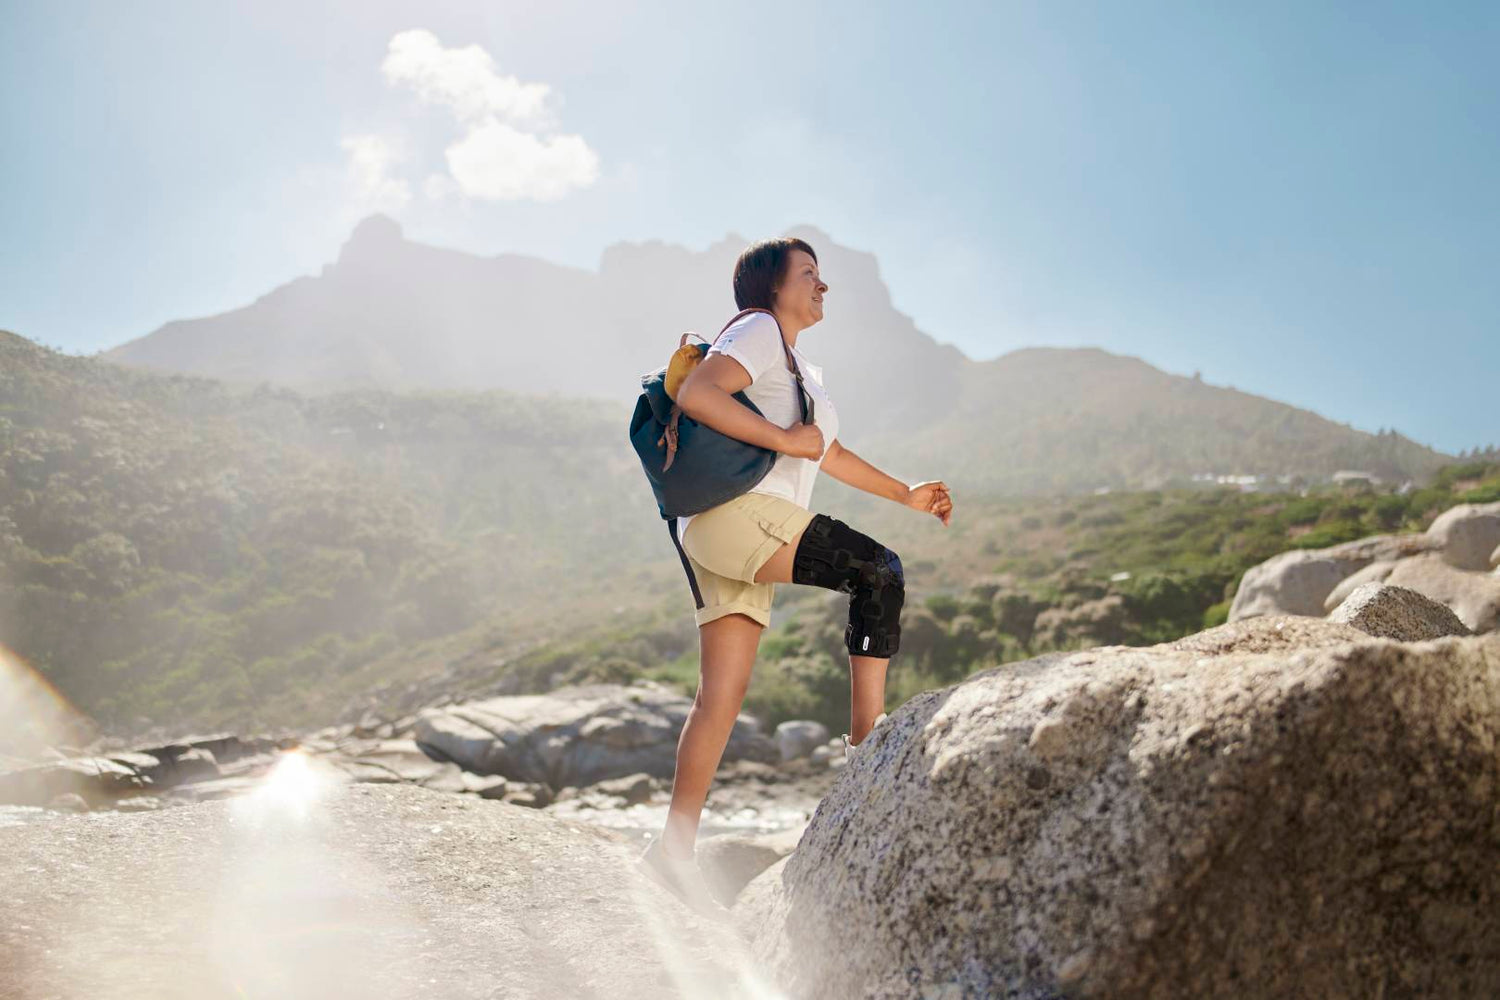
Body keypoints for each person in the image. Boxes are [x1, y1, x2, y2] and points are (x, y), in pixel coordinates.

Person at [636, 237, 953, 917]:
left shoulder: (797, 364)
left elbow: (827, 451)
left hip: (717, 528)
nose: (822, 286)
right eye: (809, 275)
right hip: (740, 518)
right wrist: (786, 442)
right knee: (878, 573)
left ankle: (671, 854)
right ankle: (867, 752)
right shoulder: (755, 330)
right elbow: (697, 394)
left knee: (719, 696)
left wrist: (907, 494)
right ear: (772, 287)